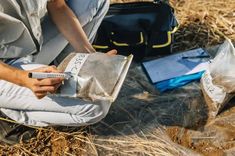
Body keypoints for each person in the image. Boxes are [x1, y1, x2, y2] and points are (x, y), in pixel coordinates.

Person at [0, 0, 116, 133]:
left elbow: (57, 4)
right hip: (5, 69)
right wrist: (22, 78)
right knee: (96, 105)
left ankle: (65, 70)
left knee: (94, 2)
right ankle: (11, 112)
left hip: (27, 46)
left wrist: (90, 58)